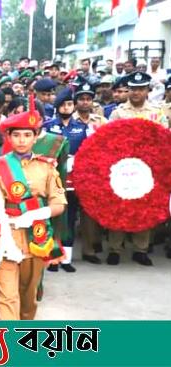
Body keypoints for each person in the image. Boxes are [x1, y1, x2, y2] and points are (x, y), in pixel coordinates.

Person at [0, 96, 67, 320]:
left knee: (28, 295)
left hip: (38, 234)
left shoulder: (47, 166)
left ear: (35, 137)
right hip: (8, 234)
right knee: (7, 296)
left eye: (27, 135)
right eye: (16, 135)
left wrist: (37, 213)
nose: (22, 140)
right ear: (9, 137)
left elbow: (59, 203)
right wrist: (4, 238)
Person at [107, 72, 169, 266]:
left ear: (147, 91)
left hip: (148, 167)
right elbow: (108, 138)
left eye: (141, 89)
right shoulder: (119, 112)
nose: (136, 93)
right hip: (123, 165)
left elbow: (164, 138)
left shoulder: (157, 112)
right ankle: (115, 249)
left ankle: (141, 249)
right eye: (133, 89)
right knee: (119, 206)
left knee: (144, 207)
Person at [43, 87, 92, 272]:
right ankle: (53, 258)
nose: (67, 107)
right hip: (53, 177)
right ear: (57, 107)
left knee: (70, 217)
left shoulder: (82, 128)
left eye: (70, 104)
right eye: (63, 104)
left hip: (73, 179)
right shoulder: (48, 126)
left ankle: (67, 259)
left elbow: (89, 152)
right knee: (54, 217)